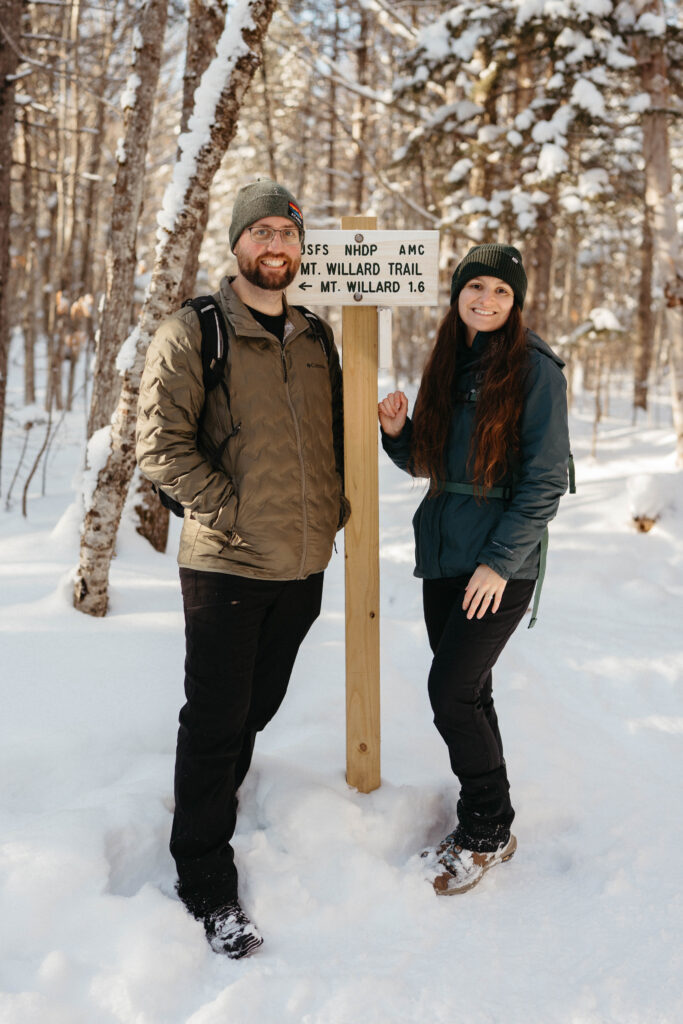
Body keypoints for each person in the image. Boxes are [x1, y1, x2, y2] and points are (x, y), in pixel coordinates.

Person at [136, 180, 348, 957]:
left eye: (286, 234)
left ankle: (215, 803)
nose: (275, 247)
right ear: (236, 244)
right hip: (227, 563)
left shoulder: (315, 335)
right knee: (218, 717)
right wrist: (229, 511)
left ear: (299, 248)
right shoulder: (194, 330)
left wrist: (332, 510)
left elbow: (330, 440)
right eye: (260, 232)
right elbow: (160, 446)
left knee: (254, 709)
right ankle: (203, 876)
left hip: (300, 565)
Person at [378, 244, 569, 896]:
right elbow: (432, 464)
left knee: (449, 692)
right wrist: (400, 433)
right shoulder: (450, 362)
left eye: (501, 292)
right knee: (470, 690)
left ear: (515, 303)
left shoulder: (536, 370)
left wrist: (498, 563)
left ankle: (484, 832)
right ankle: (496, 823)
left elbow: (544, 483)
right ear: (457, 292)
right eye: (475, 287)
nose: (486, 300)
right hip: (443, 553)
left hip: (498, 563)